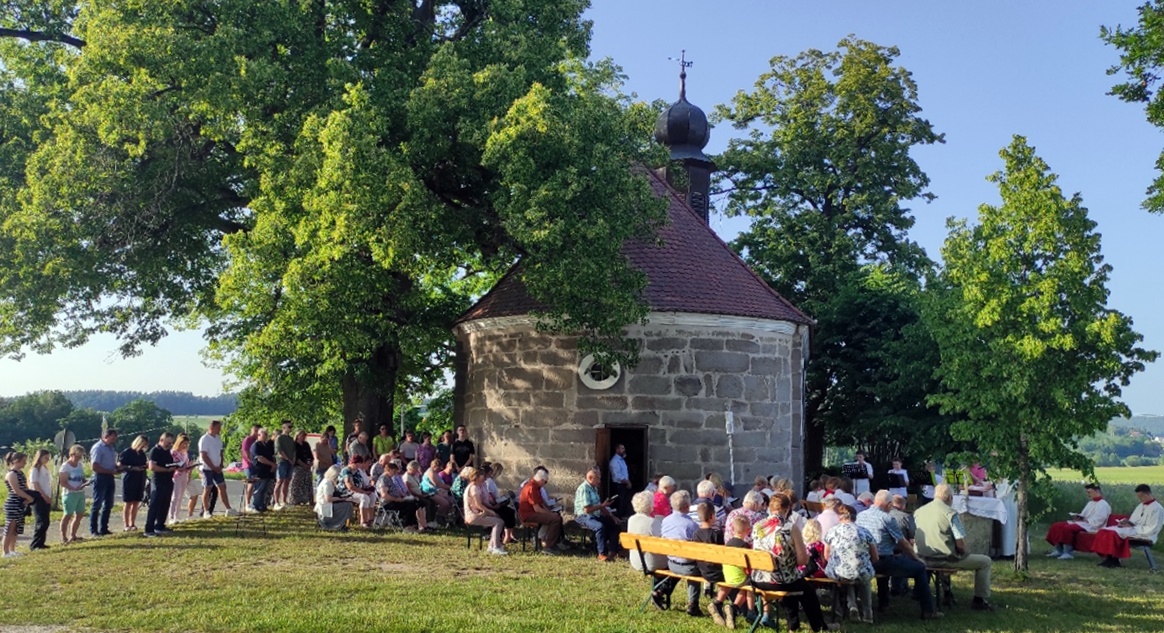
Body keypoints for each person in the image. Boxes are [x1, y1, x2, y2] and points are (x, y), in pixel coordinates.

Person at [751, 493, 837, 632]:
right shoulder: (791, 528)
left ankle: (794, 626)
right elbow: (803, 560)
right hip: (781, 581)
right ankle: (819, 627)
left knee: (794, 584)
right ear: (787, 509)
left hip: (759, 579)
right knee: (806, 590)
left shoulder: (758, 526)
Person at [856, 490, 942, 618]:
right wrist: (917, 558)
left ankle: (883, 603)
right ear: (890, 504)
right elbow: (904, 543)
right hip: (883, 560)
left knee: (885, 565)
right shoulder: (887, 518)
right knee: (919, 568)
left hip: (865, 560)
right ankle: (928, 610)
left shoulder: (861, 515)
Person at [914, 483, 995, 610]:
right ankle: (979, 600)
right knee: (985, 561)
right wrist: (965, 553)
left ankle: (944, 592)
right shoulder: (951, 514)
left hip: (922, 557)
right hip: (945, 559)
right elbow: (960, 545)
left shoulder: (919, 512)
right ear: (950, 498)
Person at [823, 504, 878, 622]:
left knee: (845, 574)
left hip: (840, 572)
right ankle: (868, 613)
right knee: (863, 579)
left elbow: (826, 555)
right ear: (855, 517)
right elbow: (875, 556)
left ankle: (851, 605)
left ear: (840, 517)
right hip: (862, 571)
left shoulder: (832, 531)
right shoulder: (865, 531)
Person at [1093, 483, 1163, 568]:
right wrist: (1126, 522)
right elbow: (1133, 520)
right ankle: (1109, 558)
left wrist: (1133, 527)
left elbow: (1153, 528)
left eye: (1141, 496)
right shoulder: (1140, 506)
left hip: (1145, 534)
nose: (1140, 499)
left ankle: (1113, 560)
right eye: (1138, 497)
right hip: (1133, 530)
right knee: (1105, 531)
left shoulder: (1158, 509)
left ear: (1148, 493)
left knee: (1113, 533)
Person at [658, 490, 703, 616]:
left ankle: (661, 590)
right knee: (695, 569)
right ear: (686, 507)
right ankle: (693, 604)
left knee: (681, 564)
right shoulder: (691, 525)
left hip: (671, 562)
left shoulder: (666, 521)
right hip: (688, 566)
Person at [1043, 483, 1111, 560]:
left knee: (1068, 528)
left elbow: (1100, 520)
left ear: (1097, 491)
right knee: (1057, 526)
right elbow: (1084, 515)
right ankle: (1059, 550)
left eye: (1089, 492)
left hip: (1092, 526)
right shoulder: (1090, 503)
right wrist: (1078, 517)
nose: (1088, 494)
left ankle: (1068, 552)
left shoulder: (1104, 505)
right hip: (1084, 523)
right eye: (1087, 492)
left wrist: (1085, 520)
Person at [574, 467, 619, 561]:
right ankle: (601, 553)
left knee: (614, 524)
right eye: (597, 478)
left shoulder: (594, 488)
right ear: (590, 478)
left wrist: (612, 516)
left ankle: (613, 551)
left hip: (595, 514)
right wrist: (602, 505)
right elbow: (587, 509)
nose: (599, 481)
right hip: (583, 516)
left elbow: (600, 507)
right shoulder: (584, 489)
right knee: (599, 527)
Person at [200, 420, 239, 517]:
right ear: (212, 428)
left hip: (217, 468)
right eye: (218, 428)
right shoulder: (204, 439)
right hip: (207, 468)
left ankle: (228, 509)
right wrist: (213, 467)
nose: (219, 430)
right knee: (207, 488)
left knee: (222, 487)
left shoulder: (218, 439)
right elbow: (204, 455)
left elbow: (220, 453)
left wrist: (221, 464)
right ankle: (206, 511)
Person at [519, 469, 564, 553]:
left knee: (555, 517)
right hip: (528, 515)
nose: (544, 484)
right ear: (541, 480)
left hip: (533, 513)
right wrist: (550, 514)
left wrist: (550, 512)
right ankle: (548, 546)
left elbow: (541, 504)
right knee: (555, 519)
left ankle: (540, 538)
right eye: (545, 482)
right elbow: (537, 508)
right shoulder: (531, 488)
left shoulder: (536, 487)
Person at [464, 467, 506, 555]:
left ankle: (492, 545)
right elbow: (478, 504)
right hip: (474, 515)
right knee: (499, 522)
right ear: (477, 476)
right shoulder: (474, 488)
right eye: (482, 476)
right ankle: (496, 546)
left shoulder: (474, 486)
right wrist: (490, 511)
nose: (484, 479)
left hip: (475, 514)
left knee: (498, 519)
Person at [144, 432, 178, 538]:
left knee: (165, 503)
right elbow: (152, 467)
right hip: (158, 481)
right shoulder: (155, 451)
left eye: (171, 443)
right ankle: (149, 528)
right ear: (161, 440)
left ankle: (160, 525)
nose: (169, 445)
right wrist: (167, 470)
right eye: (168, 443)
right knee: (155, 504)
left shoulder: (167, 452)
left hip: (168, 481)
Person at [378, 461, 428, 531]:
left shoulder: (389, 478)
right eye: (394, 471)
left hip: (396, 500)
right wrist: (397, 499)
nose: (395, 473)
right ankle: (407, 525)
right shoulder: (383, 479)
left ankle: (416, 525)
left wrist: (402, 498)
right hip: (388, 503)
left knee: (418, 503)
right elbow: (384, 495)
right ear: (388, 470)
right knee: (411, 505)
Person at [4, 452, 35, 558]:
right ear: (16, 461)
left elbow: (25, 488)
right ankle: (5, 551)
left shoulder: (20, 473)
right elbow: (16, 490)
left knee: (16, 528)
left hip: (21, 503)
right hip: (13, 503)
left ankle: (12, 550)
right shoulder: (11, 474)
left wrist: (29, 497)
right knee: (10, 527)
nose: (25, 463)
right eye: (23, 461)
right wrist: (28, 497)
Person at [88, 429, 119, 536]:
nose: (114, 440)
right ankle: (93, 530)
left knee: (108, 504)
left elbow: (111, 463)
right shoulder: (98, 448)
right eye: (113, 437)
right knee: (97, 504)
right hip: (100, 477)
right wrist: (110, 471)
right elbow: (95, 466)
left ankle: (104, 528)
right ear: (106, 436)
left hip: (109, 476)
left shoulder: (111, 448)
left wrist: (118, 468)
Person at [627, 490, 666, 573]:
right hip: (650, 563)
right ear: (649, 506)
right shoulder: (652, 522)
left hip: (635, 561)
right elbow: (662, 541)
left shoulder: (631, 519)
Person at [59, 444, 89, 544]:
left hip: (80, 493)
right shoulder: (65, 466)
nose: (79, 459)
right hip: (69, 494)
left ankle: (73, 534)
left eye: (80, 457)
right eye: (77, 456)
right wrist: (72, 488)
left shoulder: (79, 465)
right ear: (71, 455)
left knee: (80, 514)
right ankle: (63, 537)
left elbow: (81, 477)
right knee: (68, 515)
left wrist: (86, 482)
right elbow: (63, 482)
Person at [119, 434, 149, 531]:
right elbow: (120, 465)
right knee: (128, 502)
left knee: (136, 502)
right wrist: (132, 468)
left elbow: (144, 464)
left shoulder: (142, 454)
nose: (144, 446)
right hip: (129, 479)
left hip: (140, 478)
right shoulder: (127, 452)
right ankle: (126, 524)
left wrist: (145, 466)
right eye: (143, 444)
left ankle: (133, 523)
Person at [339, 455, 377, 527]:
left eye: (358, 465)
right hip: (346, 493)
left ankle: (370, 519)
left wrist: (368, 489)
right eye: (356, 465)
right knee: (364, 497)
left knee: (372, 496)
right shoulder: (346, 471)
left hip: (358, 491)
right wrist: (364, 492)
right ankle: (363, 521)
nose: (357, 467)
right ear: (352, 463)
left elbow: (361, 483)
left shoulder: (357, 471)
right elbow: (350, 486)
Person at [27, 449, 53, 551]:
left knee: (46, 521)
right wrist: (44, 496)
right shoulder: (35, 469)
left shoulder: (45, 468)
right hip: (38, 497)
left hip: (46, 496)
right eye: (45, 458)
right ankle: (35, 544)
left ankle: (41, 542)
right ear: (40, 457)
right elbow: (35, 484)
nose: (47, 460)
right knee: (41, 521)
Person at [315, 465, 354, 531]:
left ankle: (342, 524)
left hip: (325, 505)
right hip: (325, 507)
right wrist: (342, 499)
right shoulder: (328, 483)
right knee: (347, 505)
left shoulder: (326, 481)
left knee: (347, 503)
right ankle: (340, 524)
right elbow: (328, 499)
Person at [168, 434, 196, 523]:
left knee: (180, 496)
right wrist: (180, 467)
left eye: (187, 444)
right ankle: (171, 516)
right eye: (184, 443)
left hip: (184, 474)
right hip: (176, 475)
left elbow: (186, 464)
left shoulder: (185, 453)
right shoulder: (173, 452)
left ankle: (177, 515)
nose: (185, 446)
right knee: (175, 496)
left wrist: (190, 467)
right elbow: (173, 464)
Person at [249, 428, 278, 513]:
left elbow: (271, 456)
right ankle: (255, 506)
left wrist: (273, 464)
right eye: (264, 434)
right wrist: (271, 464)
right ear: (259, 435)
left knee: (265, 490)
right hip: (258, 472)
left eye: (266, 434)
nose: (266, 436)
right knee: (258, 490)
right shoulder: (256, 446)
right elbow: (260, 458)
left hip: (267, 472)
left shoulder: (265, 445)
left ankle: (262, 506)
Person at [404, 460, 439, 527]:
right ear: (411, 469)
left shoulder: (415, 476)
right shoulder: (406, 477)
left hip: (420, 494)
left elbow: (418, 486)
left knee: (433, 502)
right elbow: (409, 490)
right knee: (427, 503)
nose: (417, 471)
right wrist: (419, 495)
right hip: (414, 496)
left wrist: (423, 494)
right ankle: (427, 522)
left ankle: (431, 520)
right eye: (416, 469)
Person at [272, 420, 296, 510]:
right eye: (289, 427)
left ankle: (284, 501)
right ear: (284, 427)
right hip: (282, 461)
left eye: (291, 427)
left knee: (287, 482)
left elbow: (294, 450)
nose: (291, 428)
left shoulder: (290, 439)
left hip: (290, 462)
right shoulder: (279, 438)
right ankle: (276, 502)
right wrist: (288, 459)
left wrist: (293, 459)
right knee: (279, 481)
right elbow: (279, 451)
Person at [238, 423, 260, 510]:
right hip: (249, 465)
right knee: (250, 483)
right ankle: (247, 504)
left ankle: (255, 502)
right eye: (255, 431)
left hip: (256, 465)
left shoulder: (257, 440)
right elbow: (246, 453)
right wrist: (252, 462)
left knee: (257, 483)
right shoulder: (248, 439)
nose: (256, 433)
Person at [290, 430, 315, 505]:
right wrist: (303, 465)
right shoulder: (294, 445)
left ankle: (309, 499)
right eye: (302, 435)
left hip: (307, 466)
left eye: (304, 435)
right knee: (297, 483)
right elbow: (296, 457)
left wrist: (309, 464)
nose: (303, 437)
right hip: (298, 466)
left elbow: (310, 456)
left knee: (308, 483)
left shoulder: (306, 444)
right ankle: (295, 500)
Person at [609, 444, 633, 518]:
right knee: (620, 503)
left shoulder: (621, 460)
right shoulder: (615, 461)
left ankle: (623, 516)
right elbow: (618, 476)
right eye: (622, 448)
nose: (624, 450)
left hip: (623, 484)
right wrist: (627, 482)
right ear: (617, 450)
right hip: (618, 485)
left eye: (624, 448)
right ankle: (619, 519)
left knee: (624, 502)